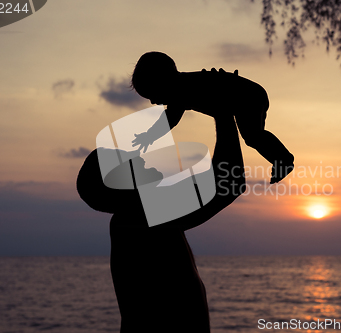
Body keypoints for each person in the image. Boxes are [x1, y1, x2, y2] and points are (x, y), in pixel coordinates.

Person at [76, 113, 246, 332]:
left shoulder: (135, 219)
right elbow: (229, 185)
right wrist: (223, 113)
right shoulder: (140, 218)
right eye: (129, 161)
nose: (140, 158)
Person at [130, 51, 295, 184]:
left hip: (247, 95)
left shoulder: (180, 90)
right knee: (254, 136)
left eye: (152, 94)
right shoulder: (183, 85)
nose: (153, 102)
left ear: (162, 81)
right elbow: (170, 117)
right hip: (252, 92)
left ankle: (283, 159)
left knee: (253, 136)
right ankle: (281, 159)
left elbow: (169, 119)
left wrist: (149, 136)